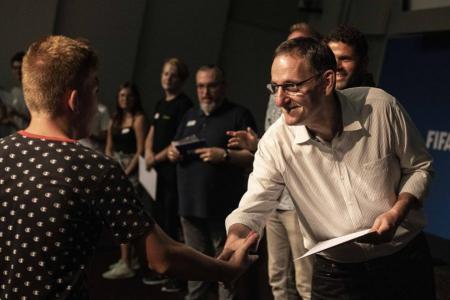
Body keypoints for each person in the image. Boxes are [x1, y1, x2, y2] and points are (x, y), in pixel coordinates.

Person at [0, 35, 258, 300]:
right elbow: (162, 257)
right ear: (74, 100)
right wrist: (225, 270)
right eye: (95, 90)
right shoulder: (94, 168)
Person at [222, 37, 435, 300]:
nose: (279, 100)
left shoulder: (380, 107)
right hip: (336, 274)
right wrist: (237, 234)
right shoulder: (275, 143)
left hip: (403, 260)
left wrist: (397, 212)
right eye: (274, 87)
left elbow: (420, 168)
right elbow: (255, 202)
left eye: (291, 86)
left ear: (326, 82)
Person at [227, 22, 321, 300]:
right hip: (274, 202)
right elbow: (274, 144)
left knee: (306, 283)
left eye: (301, 45)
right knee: (277, 279)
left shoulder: (320, 101)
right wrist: (257, 146)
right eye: (289, 44)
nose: (281, 97)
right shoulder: (277, 94)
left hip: (302, 204)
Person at [167, 65, 257, 300]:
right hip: (189, 205)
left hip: (222, 208)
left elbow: (255, 158)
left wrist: (224, 155)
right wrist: (172, 153)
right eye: (200, 86)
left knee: (225, 268)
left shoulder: (239, 114)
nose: (205, 92)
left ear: (223, 87)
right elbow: (173, 146)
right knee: (195, 266)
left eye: (211, 85)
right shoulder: (190, 115)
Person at [142, 57, 193, 291]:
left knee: (171, 225)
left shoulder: (184, 105)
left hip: (172, 174)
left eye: (172, 75)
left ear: (181, 80)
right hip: (154, 172)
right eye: (165, 74)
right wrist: (147, 151)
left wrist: (156, 157)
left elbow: (180, 140)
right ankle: (159, 268)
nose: (167, 78)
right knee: (157, 222)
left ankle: (176, 276)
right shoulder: (161, 103)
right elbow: (152, 132)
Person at [102, 82, 148, 279]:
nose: (125, 99)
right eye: (121, 96)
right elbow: (108, 147)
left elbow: (141, 150)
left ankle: (129, 262)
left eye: (128, 96)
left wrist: (127, 172)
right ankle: (125, 259)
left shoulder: (139, 119)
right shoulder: (114, 119)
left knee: (128, 217)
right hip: (116, 168)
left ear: (135, 98)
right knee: (118, 218)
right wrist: (112, 167)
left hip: (133, 171)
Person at [323, 25, 375, 90]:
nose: (336, 66)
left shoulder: (376, 99)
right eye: (330, 58)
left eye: (345, 59)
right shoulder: (315, 97)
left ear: (364, 63)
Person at [7, 51, 30, 129]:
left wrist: (17, 113)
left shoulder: (34, 90)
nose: (18, 71)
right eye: (15, 68)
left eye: (21, 67)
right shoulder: (14, 91)